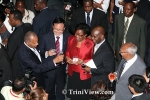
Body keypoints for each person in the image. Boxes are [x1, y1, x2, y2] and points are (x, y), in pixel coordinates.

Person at [38, 17, 70, 100]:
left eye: (60, 30)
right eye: (56, 29)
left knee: (61, 90)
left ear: (64, 28)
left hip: (62, 68)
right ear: (53, 26)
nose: (58, 32)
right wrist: (47, 53)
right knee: (49, 90)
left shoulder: (69, 36)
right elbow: (39, 51)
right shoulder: (45, 37)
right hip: (49, 68)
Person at [66, 23, 94, 100]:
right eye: (76, 33)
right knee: (73, 94)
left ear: (85, 35)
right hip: (72, 71)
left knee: (82, 95)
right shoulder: (71, 39)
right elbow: (68, 51)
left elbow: (93, 59)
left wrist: (83, 61)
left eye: (80, 35)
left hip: (83, 72)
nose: (77, 36)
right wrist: (67, 58)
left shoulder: (90, 44)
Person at [7, 10, 33, 79]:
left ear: (17, 20)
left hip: (17, 66)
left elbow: (9, 55)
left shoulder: (13, 37)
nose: (9, 21)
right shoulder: (28, 26)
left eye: (11, 20)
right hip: (28, 61)